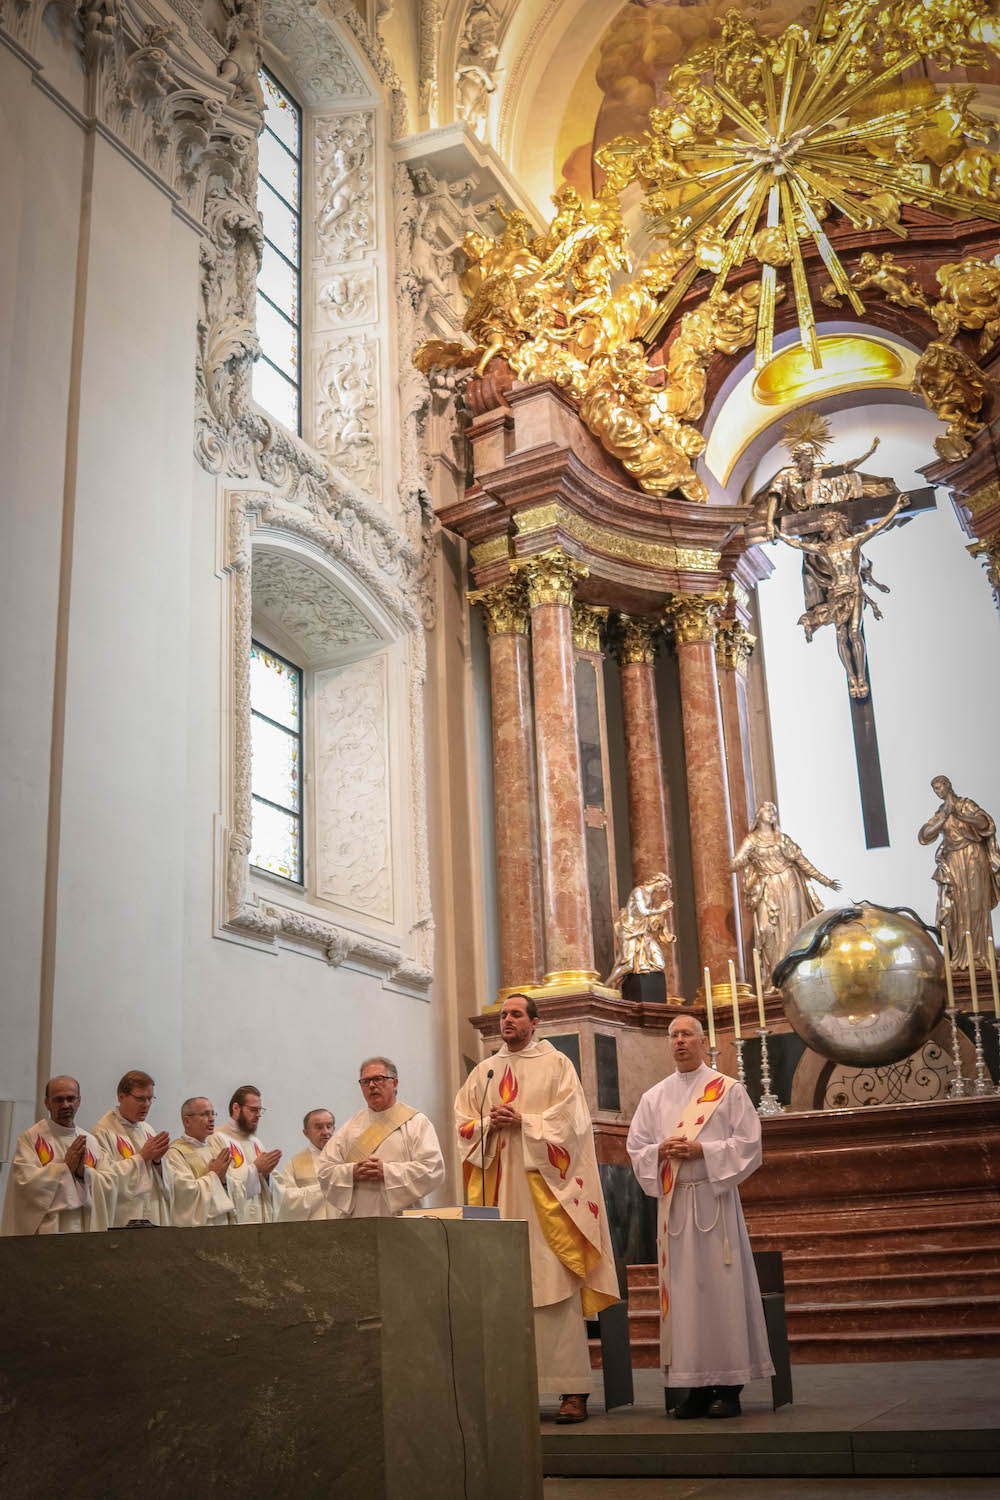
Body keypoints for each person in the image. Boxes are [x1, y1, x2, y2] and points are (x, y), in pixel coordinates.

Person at [455, 995, 620, 1425]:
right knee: (506, 1292)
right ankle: (513, 1389)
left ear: (534, 1022)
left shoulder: (556, 1065)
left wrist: (524, 1122)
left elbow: (572, 1121)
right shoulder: (484, 1073)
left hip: (545, 1194)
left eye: (515, 1014)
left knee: (554, 1283)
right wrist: (491, 1123)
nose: (506, 1021)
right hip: (500, 1196)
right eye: (503, 1015)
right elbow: (463, 1125)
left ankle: (572, 1390)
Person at [626, 1015, 774, 1420]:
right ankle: (689, 1386)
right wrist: (660, 1150)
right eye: (673, 1035)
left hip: (715, 1204)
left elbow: (750, 1144)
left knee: (721, 1292)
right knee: (684, 1296)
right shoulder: (654, 1097)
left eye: (686, 1034)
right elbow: (636, 1147)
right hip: (674, 1209)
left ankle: (728, 1387)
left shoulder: (727, 1090)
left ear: (702, 1040)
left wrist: (703, 1152)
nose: (679, 1041)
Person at [317, 1058, 444, 1218]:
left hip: (402, 1220)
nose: (371, 1085)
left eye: (378, 1079)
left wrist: (387, 1172)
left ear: (395, 1083)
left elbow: (433, 1169)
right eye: (365, 1081)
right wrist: (352, 1172)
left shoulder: (416, 1123)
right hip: (359, 1219)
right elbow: (324, 1170)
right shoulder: (351, 1126)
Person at [732, 802, 840, 986]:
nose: (771, 813)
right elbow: (733, 865)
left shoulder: (782, 839)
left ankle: (795, 977)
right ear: (758, 815)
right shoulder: (751, 841)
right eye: (767, 809)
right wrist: (744, 858)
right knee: (767, 930)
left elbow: (802, 862)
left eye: (774, 811)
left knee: (794, 929)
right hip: (767, 888)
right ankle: (774, 977)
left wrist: (825, 880)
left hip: (789, 884)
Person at [1, 1076, 115, 1235]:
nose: (66, 1105)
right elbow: (25, 1184)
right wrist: (64, 1168)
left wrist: (85, 1174)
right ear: (47, 1103)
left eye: (71, 1099)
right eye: (58, 1099)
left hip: (85, 1231)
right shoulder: (31, 1139)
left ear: (79, 1101)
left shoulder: (91, 1142)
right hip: (48, 1233)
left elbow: (110, 1184)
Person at [918, 775, 1000, 969]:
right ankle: (962, 956)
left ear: (948, 786)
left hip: (973, 857)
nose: (938, 792)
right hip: (954, 860)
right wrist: (945, 818)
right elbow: (924, 835)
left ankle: (981, 955)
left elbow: (984, 823)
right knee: (957, 907)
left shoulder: (965, 804)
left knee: (976, 905)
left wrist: (959, 815)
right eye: (935, 789)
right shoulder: (941, 812)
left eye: (939, 787)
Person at [91, 1069, 173, 1227]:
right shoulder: (102, 1132)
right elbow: (103, 1181)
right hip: (122, 1219)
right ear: (121, 1097)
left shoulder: (148, 1130)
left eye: (150, 1099)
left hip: (152, 1215)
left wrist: (157, 1163)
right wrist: (142, 1157)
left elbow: (166, 1184)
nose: (147, 1105)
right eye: (140, 1099)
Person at [216, 1084, 283, 1224]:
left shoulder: (256, 1142)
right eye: (253, 1110)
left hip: (261, 1220)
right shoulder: (217, 1138)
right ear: (236, 1108)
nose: (258, 1115)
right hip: (237, 1221)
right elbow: (222, 1183)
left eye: (259, 1110)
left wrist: (266, 1176)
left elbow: (274, 1188)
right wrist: (255, 1169)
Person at [165, 1099, 236, 1228]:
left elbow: (235, 1190)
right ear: (187, 1121)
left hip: (222, 1226)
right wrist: (214, 1176)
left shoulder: (214, 1150)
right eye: (204, 1114)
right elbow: (185, 1195)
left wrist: (225, 1181)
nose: (211, 1119)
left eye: (213, 1114)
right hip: (197, 1231)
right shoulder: (175, 1153)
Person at [277, 1109, 341, 1221]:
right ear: (306, 1133)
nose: (326, 1132)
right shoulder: (294, 1164)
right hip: (311, 1231)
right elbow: (286, 1201)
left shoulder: (345, 1159)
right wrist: (323, 1190)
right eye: (319, 1127)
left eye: (329, 1126)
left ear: (334, 1128)